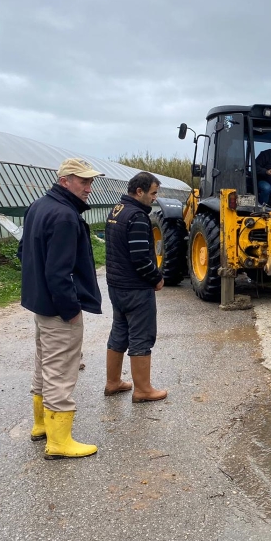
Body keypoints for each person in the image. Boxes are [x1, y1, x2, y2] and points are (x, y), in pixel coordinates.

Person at [18, 158, 103, 460]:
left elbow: (23, 251)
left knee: (44, 363)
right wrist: (70, 309)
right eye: (83, 181)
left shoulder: (38, 206)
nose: (89, 188)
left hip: (40, 304)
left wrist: (39, 289)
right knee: (61, 370)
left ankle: (41, 424)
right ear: (65, 181)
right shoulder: (65, 216)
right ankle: (59, 442)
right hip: (58, 309)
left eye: (90, 181)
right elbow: (59, 272)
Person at [104, 171, 168, 403]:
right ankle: (143, 390)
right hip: (135, 288)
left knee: (119, 332)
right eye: (153, 193)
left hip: (116, 286)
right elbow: (140, 258)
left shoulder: (117, 210)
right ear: (139, 191)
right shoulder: (138, 217)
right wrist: (156, 278)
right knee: (141, 337)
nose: (155, 198)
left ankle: (113, 382)